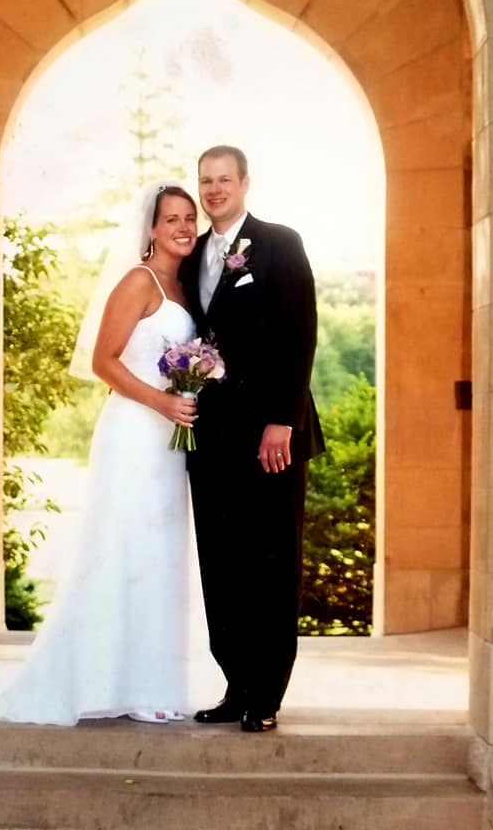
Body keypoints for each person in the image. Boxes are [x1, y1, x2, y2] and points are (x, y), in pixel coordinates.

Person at [0, 181, 199, 726]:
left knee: (158, 555)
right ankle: (105, 684)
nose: (182, 228)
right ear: (151, 228)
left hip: (169, 441)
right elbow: (104, 361)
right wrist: (162, 401)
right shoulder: (139, 281)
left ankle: (149, 683)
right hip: (134, 432)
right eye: (171, 219)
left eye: (189, 218)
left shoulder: (186, 286)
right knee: (121, 549)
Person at [180, 146, 324, 733]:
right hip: (211, 436)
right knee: (222, 565)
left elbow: (301, 332)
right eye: (205, 181)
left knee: (270, 562)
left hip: (272, 437)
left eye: (223, 179)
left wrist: (281, 420)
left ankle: (266, 695)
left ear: (244, 183)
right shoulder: (191, 256)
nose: (213, 190)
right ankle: (236, 686)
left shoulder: (280, 243)